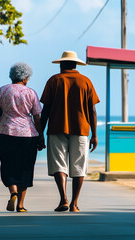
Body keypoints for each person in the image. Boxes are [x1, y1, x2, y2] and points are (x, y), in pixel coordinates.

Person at [40, 51, 100, 212]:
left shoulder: (54, 80)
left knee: (59, 165)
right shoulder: (86, 81)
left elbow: (45, 110)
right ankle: (74, 204)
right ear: (75, 65)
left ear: (61, 65)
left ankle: (63, 199)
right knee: (79, 166)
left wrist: (40, 133)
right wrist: (94, 135)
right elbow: (92, 111)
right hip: (81, 129)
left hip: (56, 128)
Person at [0, 62, 45, 213]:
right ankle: (20, 205)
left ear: (11, 76)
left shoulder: (2, 90)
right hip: (28, 135)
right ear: (26, 78)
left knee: (8, 165)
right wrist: (41, 135)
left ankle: (12, 192)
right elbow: (37, 117)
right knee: (25, 168)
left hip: (6, 132)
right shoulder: (31, 93)